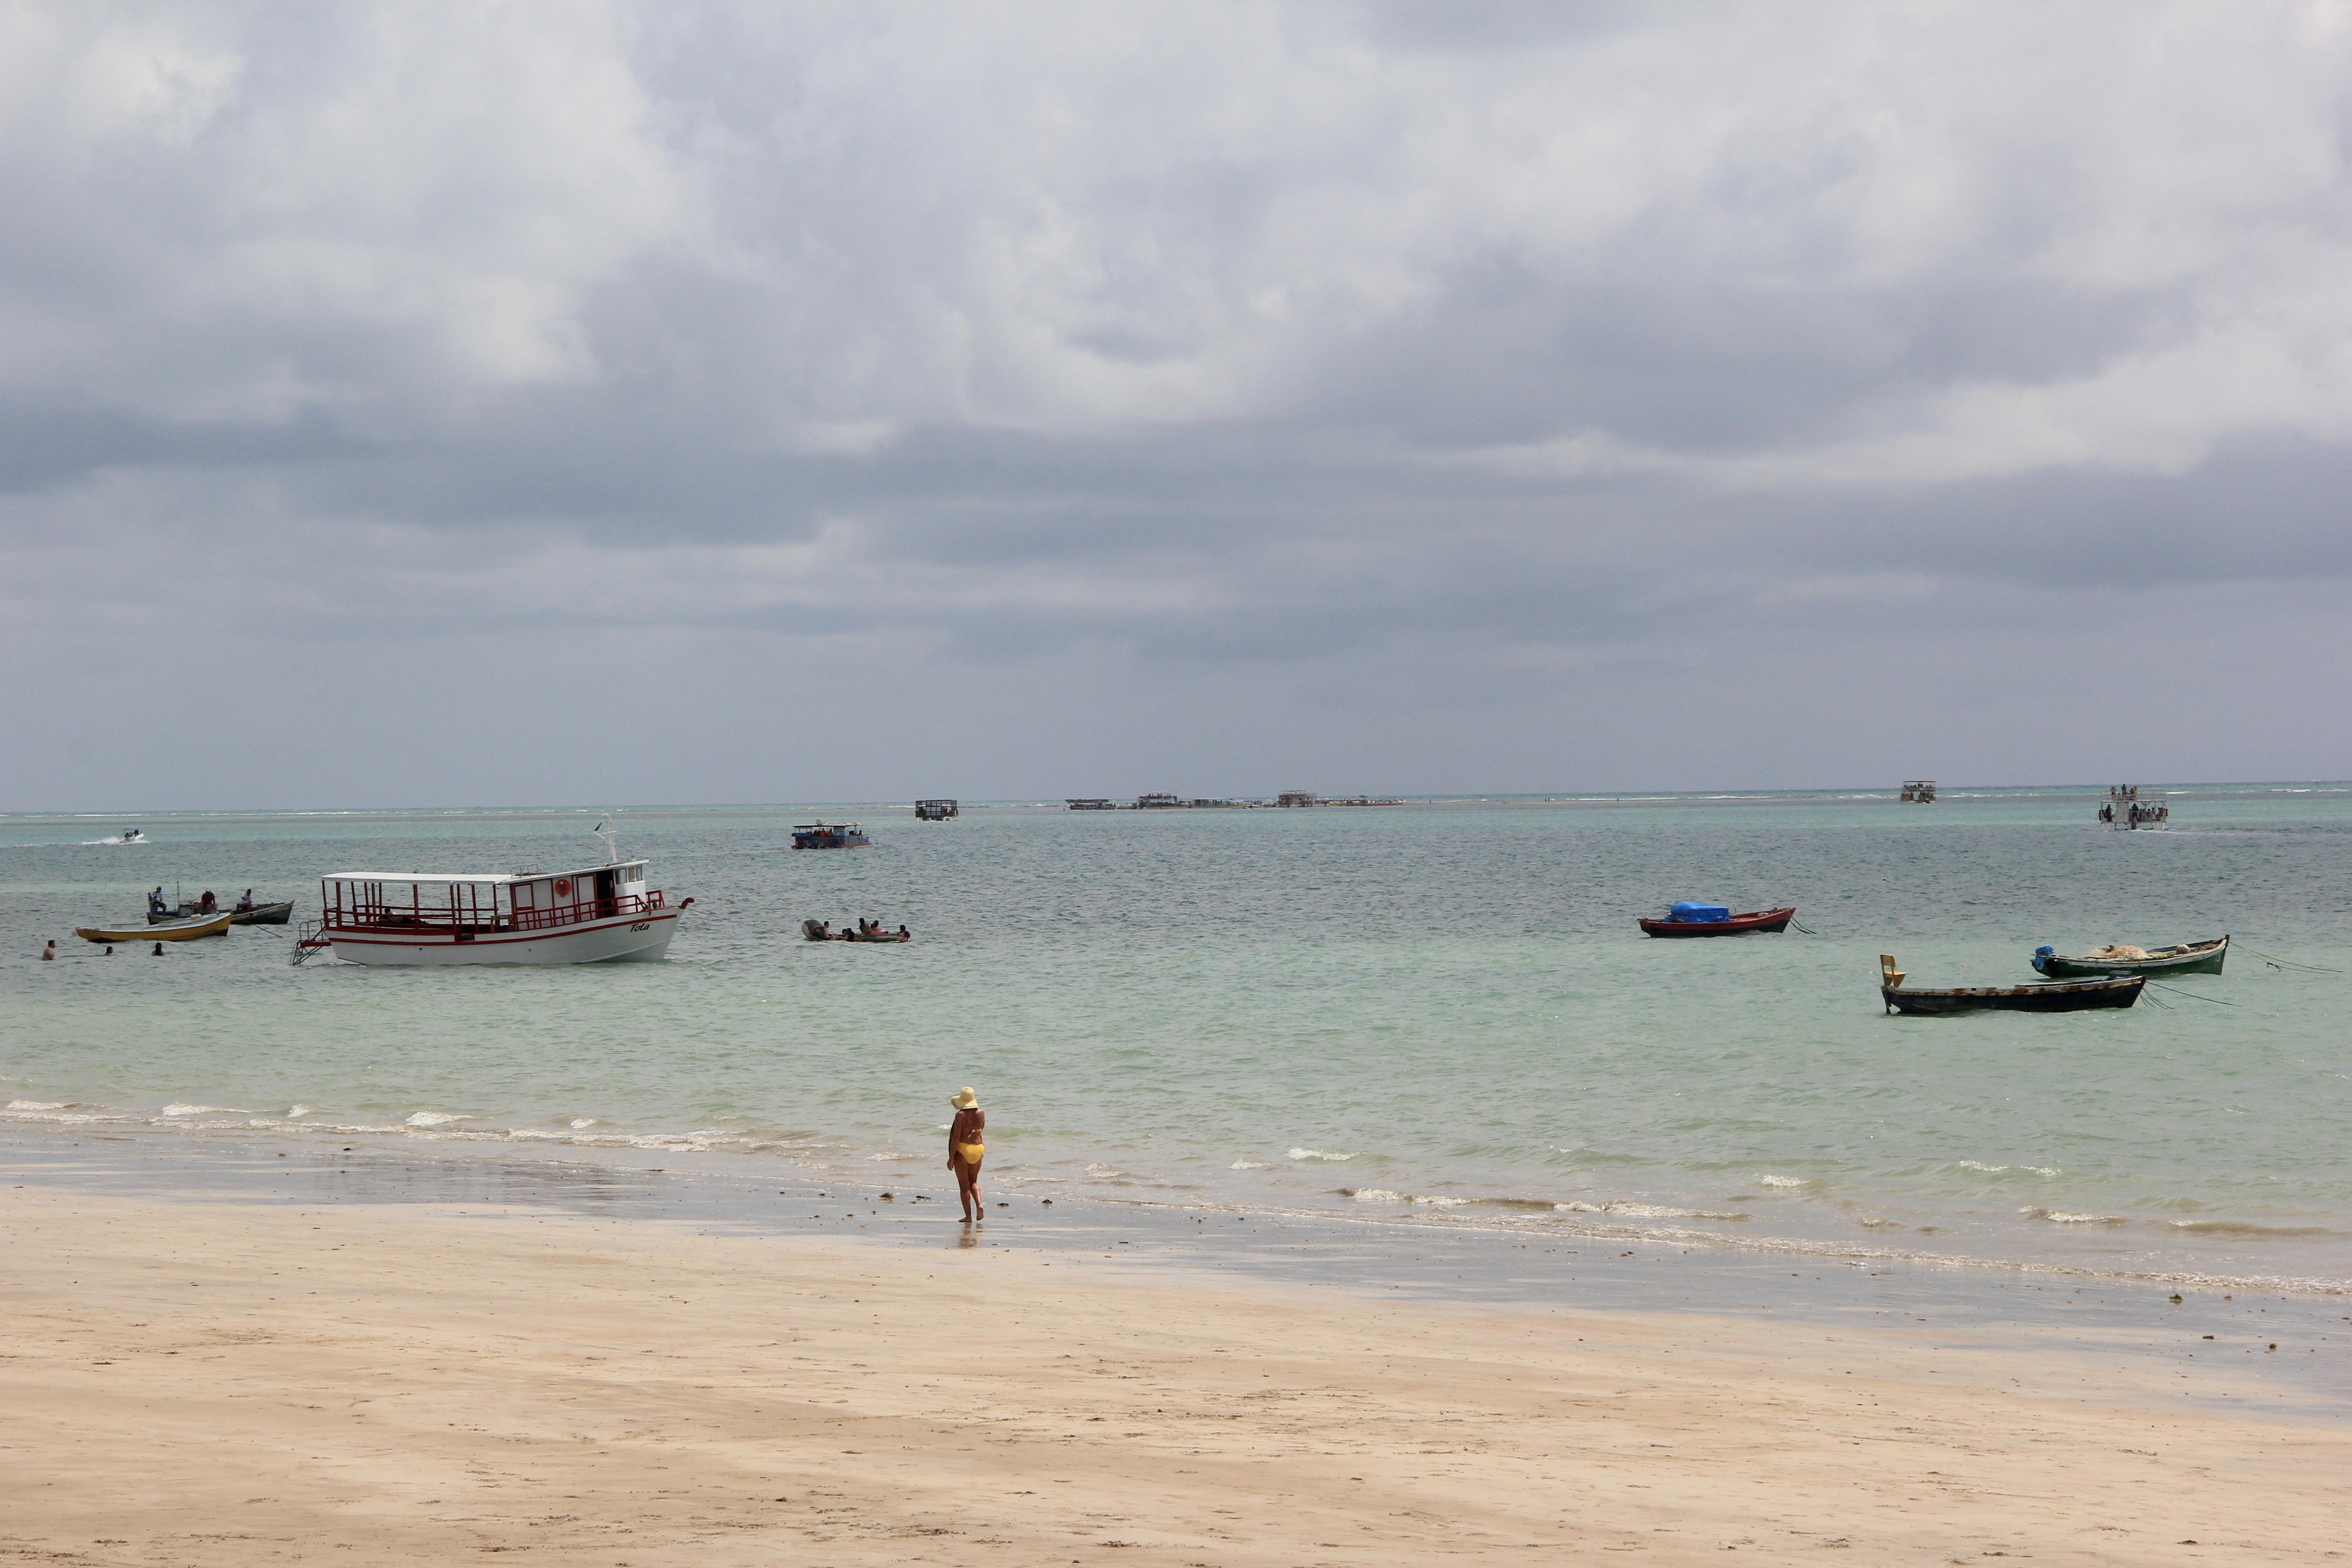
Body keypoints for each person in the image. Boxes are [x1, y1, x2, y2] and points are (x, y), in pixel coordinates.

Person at [947, 1087, 985, 1223]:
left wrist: (951, 1158)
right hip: (979, 1148)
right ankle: (980, 1205)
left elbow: (956, 1137)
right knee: (974, 1182)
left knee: (964, 1186)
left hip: (964, 1149)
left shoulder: (960, 1115)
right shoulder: (981, 1113)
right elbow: (981, 1131)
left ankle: (968, 1217)